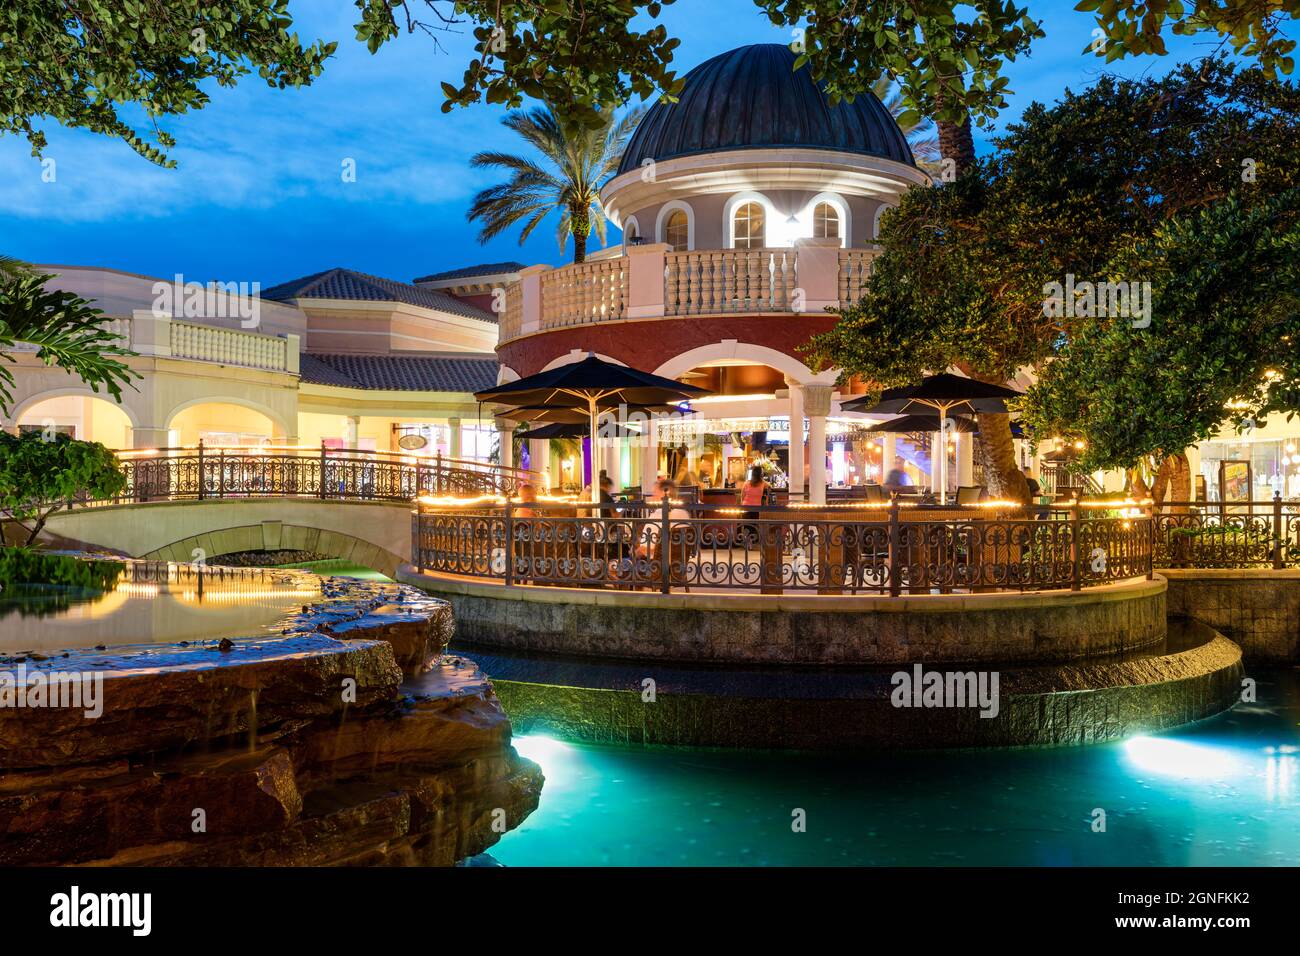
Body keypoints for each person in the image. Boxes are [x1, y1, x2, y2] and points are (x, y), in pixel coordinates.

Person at [737, 464, 770, 547]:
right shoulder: (763, 484)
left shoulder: (747, 483)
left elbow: (742, 495)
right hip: (756, 507)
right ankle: (752, 541)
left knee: (747, 525)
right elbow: (770, 487)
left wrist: (742, 505)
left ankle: (747, 542)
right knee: (754, 525)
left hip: (746, 506)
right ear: (760, 474)